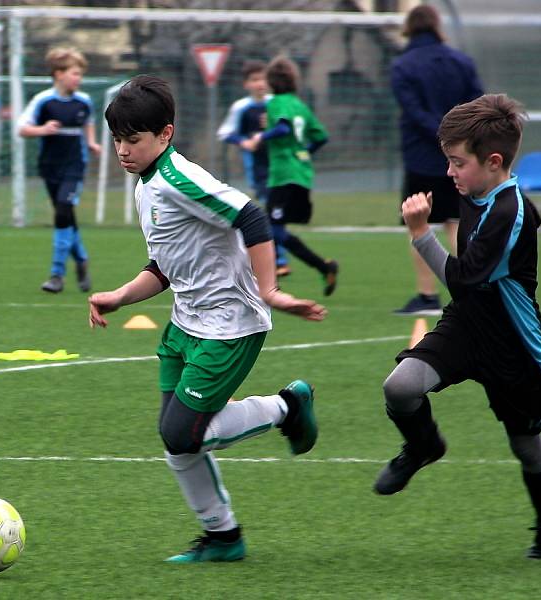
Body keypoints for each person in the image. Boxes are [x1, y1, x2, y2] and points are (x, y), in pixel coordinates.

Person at [91, 74, 326, 563]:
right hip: (185, 323)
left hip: (230, 325)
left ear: (166, 135)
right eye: (117, 140)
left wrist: (271, 290)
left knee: (183, 433)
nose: (123, 150)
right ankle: (223, 537)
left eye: (133, 140)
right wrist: (119, 296)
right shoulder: (147, 184)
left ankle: (287, 407)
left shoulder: (181, 178)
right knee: (176, 440)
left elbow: (252, 217)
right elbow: (164, 267)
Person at [374, 94, 541, 560]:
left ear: (494, 162)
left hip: (513, 342)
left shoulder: (511, 214)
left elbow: (462, 281)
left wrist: (420, 233)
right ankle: (423, 447)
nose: (449, 173)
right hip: (468, 324)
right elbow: (466, 295)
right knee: (401, 386)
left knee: (525, 444)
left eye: (457, 163)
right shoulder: (473, 187)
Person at [391, 4, 484, 315]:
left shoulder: (403, 65)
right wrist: (459, 139)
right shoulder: (462, 61)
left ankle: (427, 294)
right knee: (458, 222)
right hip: (461, 156)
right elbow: (478, 102)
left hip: (421, 155)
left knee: (420, 220)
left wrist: (440, 134)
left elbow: (413, 110)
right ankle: (470, 288)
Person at [242, 56, 338, 296]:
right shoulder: (300, 105)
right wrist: (305, 152)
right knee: (273, 228)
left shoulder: (276, 103)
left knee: (269, 229)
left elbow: (283, 128)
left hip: (283, 175)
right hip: (302, 174)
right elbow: (321, 136)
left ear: (272, 82)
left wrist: (261, 137)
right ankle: (273, 279)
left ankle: (320, 266)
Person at [18, 47, 101, 294]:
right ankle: (82, 259)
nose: (79, 79)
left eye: (80, 74)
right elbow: (22, 129)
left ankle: (57, 275)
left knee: (63, 213)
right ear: (58, 74)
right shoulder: (44, 101)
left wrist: (92, 143)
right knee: (66, 217)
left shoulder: (83, 101)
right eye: (75, 73)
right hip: (50, 167)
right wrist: (42, 129)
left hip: (75, 167)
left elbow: (88, 123)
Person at [216, 60, 290, 277]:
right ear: (245, 84)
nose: (260, 83)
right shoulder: (241, 107)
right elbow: (225, 133)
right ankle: (275, 258)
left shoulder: (276, 103)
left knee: (274, 211)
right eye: (254, 79)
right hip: (257, 168)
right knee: (269, 211)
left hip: (280, 166)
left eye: (263, 79)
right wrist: (244, 142)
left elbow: (288, 128)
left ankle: (280, 260)